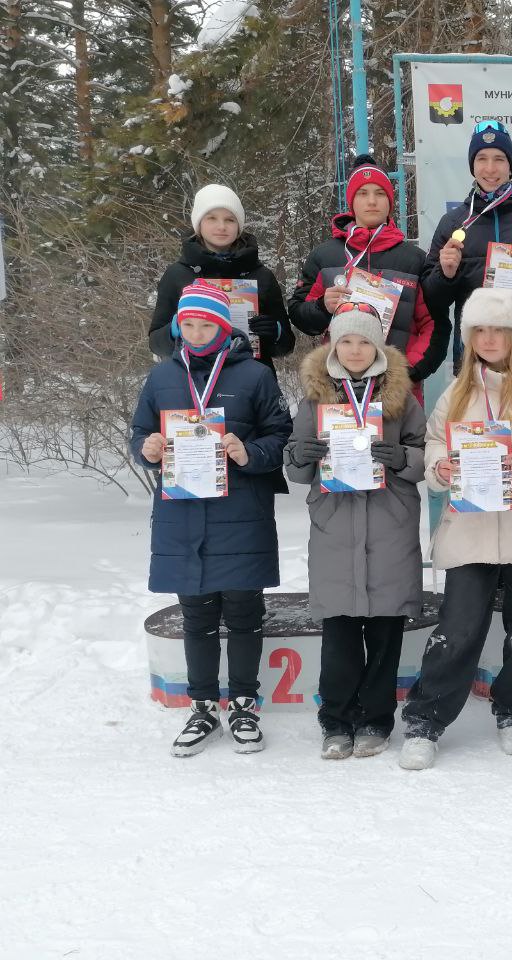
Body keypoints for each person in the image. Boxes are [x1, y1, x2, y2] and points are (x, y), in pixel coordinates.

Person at [398, 289, 512, 770]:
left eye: (499, 329)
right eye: (480, 330)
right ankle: (426, 720)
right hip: (470, 528)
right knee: (457, 630)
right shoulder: (457, 391)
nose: (490, 338)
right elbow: (434, 443)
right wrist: (441, 470)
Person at [130, 282, 292, 756]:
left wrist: (251, 452)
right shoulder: (161, 377)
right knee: (196, 617)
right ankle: (202, 707)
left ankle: (243, 702)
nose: (198, 333)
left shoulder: (256, 376)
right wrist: (147, 448)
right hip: (183, 517)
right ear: (180, 327)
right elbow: (140, 431)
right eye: (190, 324)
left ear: (224, 328)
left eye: (208, 325)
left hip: (241, 515)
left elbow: (280, 434)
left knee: (244, 615)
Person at [285, 303, 427, 761]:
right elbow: (296, 469)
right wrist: (301, 454)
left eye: (364, 341)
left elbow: (425, 454)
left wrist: (402, 459)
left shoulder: (403, 398)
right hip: (336, 525)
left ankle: (376, 719)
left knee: (385, 631)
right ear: (332, 346)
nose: (354, 349)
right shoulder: (313, 398)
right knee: (340, 632)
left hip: (389, 523)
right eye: (346, 340)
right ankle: (337, 720)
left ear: (379, 347)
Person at [288, 154, 449, 395]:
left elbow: (434, 324)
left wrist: (408, 372)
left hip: (398, 391)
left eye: (380, 193)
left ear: (390, 202)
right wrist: (322, 307)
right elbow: (299, 315)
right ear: (352, 202)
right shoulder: (324, 256)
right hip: (338, 388)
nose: (372, 201)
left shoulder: (413, 258)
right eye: (363, 194)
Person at [422, 121, 512, 367]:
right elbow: (431, 300)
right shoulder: (453, 222)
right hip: (473, 355)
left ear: (511, 166)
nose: (490, 168)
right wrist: (445, 273)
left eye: (499, 159)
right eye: (481, 158)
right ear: (472, 166)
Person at [149, 184, 296, 378]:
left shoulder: (260, 275)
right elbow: (156, 343)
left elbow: (286, 345)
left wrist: (275, 332)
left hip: (251, 383)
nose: (221, 226)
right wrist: (176, 328)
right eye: (211, 218)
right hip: (194, 382)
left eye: (230, 219)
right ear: (199, 224)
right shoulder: (177, 275)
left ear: (239, 225)